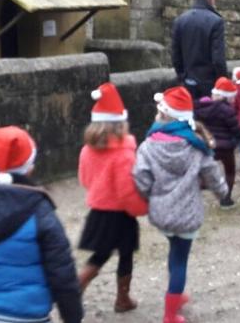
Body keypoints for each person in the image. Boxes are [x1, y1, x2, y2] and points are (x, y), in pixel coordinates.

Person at [0, 126, 84, 323]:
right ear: (30, 168)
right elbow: (63, 274)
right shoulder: (40, 211)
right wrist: (73, 317)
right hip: (30, 315)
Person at [134, 86, 227, 323]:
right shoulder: (196, 146)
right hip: (187, 215)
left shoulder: (148, 145)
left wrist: (149, 196)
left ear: (164, 116)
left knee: (173, 253)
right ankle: (170, 313)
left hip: (161, 213)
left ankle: (175, 296)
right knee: (180, 260)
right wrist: (222, 192)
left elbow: (141, 177)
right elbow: (212, 174)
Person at [76, 83, 148, 313]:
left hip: (99, 209)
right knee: (119, 254)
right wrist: (139, 208)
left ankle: (90, 288)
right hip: (120, 212)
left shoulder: (88, 149)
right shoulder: (124, 154)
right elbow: (127, 189)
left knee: (104, 252)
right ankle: (118, 297)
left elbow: (85, 178)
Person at [194, 77, 240, 208]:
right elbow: (236, 130)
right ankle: (226, 199)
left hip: (208, 145)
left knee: (202, 169)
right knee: (230, 171)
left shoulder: (200, 108)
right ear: (228, 97)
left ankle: (196, 192)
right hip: (226, 147)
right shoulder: (228, 111)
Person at [171, 0, 228, 99]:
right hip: (209, 84)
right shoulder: (216, 21)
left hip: (188, 81)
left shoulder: (180, 20)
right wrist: (223, 80)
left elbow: (176, 54)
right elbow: (218, 59)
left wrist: (182, 77)